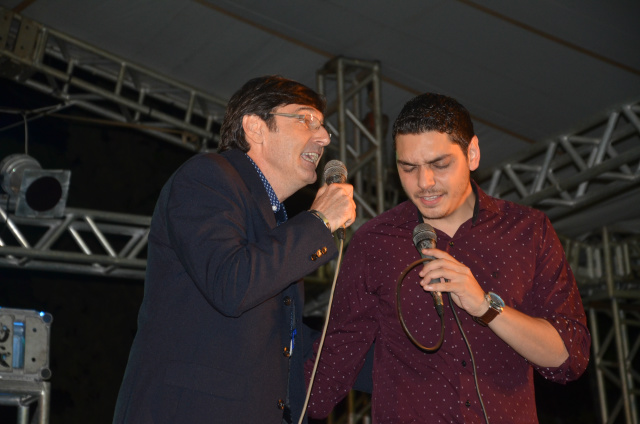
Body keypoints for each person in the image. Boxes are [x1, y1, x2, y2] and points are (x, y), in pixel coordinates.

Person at [305, 93, 590, 423]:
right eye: (408, 168)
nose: (424, 183)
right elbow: (332, 367)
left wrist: (485, 306)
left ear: (472, 154)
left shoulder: (528, 231)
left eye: (439, 165)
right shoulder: (375, 242)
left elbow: (569, 358)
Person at [113, 75, 356, 424]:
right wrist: (318, 221)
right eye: (306, 120)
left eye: (323, 125)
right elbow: (232, 282)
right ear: (255, 127)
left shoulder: (277, 226)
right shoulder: (207, 177)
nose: (324, 137)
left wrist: (399, 360)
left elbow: (288, 341)